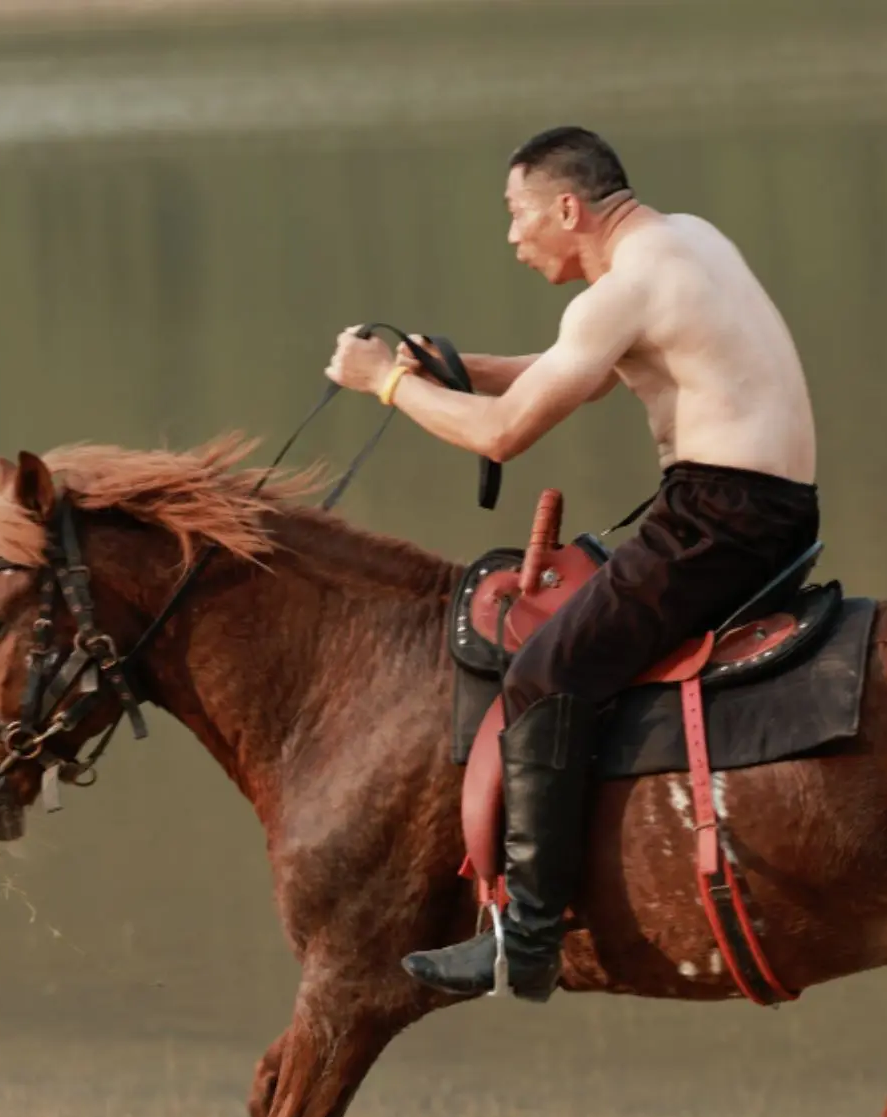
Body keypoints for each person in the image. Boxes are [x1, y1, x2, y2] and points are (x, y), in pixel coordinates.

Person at [324, 125, 819, 1002]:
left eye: (517, 216)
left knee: (545, 674)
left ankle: (530, 937)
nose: (513, 238)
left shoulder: (619, 291)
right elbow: (575, 374)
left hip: (719, 522)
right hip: (763, 510)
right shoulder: (688, 240)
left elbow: (506, 433)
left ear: (567, 208)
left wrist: (387, 387)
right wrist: (452, 367)